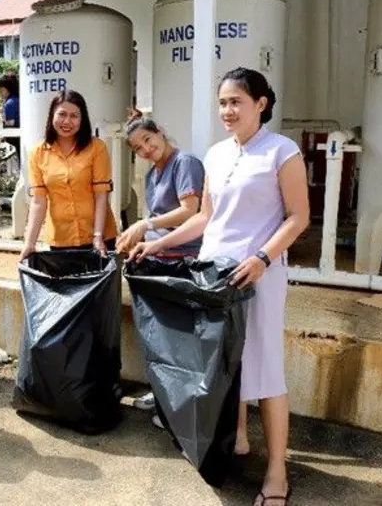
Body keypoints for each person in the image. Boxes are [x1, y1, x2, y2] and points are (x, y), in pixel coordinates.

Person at [124, 67, 309, 505]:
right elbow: (204, 218)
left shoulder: (282, 152)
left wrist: (263, 258)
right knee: (226, 361)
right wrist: (156, 244)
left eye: (236, 102)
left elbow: (298, 216)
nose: (227, 110)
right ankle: (239, 439)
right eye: (223, 102)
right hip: (215, 273)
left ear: (260, 104)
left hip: (257, 275)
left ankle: (277, 472)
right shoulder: (217, 154)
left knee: (265, 368)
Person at [115, 111, 205, 429]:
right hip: (159, 259)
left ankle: (179, 407)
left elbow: (189, 211)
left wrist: (146, 224)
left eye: (148, 141)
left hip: (182, 262)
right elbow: (153, 223)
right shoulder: (154, 174)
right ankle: (164, 393)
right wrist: (136, 240)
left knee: (179, 338)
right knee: (160, 337)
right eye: (138, 149)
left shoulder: (185, 163)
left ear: (160, 132)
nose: (146, 151)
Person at [21, 89, 118, 259]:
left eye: (74, 116)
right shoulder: (37, 152)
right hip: (61, 240)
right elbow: (38, 201)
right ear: (52, 116)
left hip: (99, 238)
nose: (67, 121)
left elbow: (101, 195)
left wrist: (97, 236)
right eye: (62, 114)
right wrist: (29, 244)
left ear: (82, 119)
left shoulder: (97, 148)